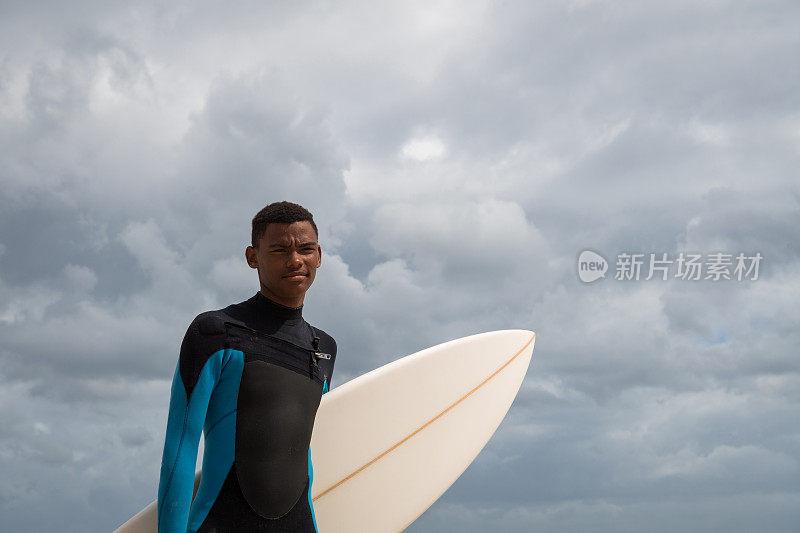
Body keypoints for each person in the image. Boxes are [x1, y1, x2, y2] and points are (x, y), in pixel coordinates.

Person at [157, 201, 337, 532]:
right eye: (280, 250)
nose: (295, 260)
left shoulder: (324, 348)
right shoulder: (215, 332)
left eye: (306, 249)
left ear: (319, 256)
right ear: (253, 257)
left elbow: (301, 455)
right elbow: (180, 450)